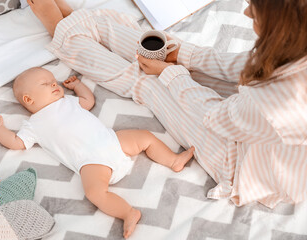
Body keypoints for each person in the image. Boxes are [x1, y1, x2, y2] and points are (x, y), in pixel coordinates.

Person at [26, 0, 307, 210]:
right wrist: (183, 55)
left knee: (150, 86)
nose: (246, 12)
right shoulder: (295, 49)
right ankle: (80, 23)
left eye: (254, 11)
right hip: (252, 119)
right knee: (167, 49)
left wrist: (169, 74)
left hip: (241, 160)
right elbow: (246, 66)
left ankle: (64, 34)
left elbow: (213, 116)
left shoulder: (284, 102)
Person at [0, 68, 195, 238]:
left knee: (146, 137)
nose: (54, 84)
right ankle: (128, 213)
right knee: (94, 193)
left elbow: (88, 101)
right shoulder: (33, 125)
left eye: (53, 81)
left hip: (112, 141)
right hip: (91, 162)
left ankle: (173, 160)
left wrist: (78, 86)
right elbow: (16, 143)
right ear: (29, 100)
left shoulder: (68, 102)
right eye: (45, 84)